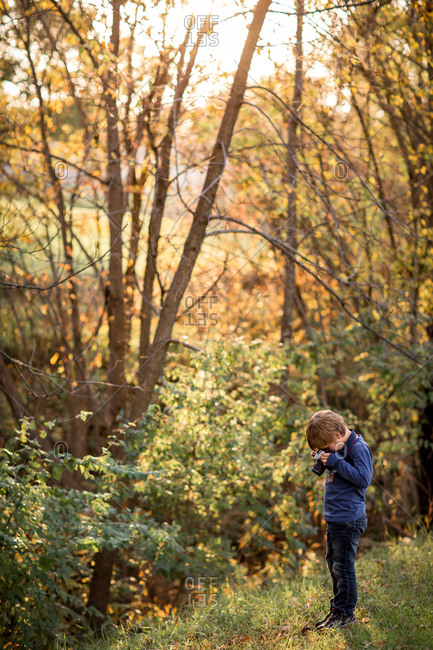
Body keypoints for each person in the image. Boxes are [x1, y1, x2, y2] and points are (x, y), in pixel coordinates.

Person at [306, 409, 373, 629]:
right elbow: (343, 475)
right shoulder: (338, 448)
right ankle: (337, 609)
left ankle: (346, 614)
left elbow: (363, 479)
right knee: (334, 564)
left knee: (343, 567)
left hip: (349, 519)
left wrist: (335, 460)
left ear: (336, 436)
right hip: (335, 518)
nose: (325, 452)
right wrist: (326, 460)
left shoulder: (359, 448)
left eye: (324, 448)